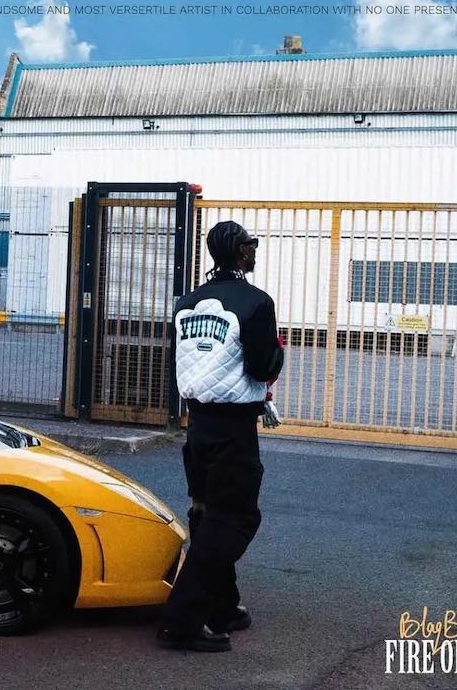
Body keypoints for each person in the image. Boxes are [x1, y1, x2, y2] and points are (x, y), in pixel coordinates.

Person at [157, 220, 284, 652]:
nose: (255, 250)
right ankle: (182, 621)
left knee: (207, 513)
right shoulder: (256, 302)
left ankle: (222, 605)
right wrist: (278, 351)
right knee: (235, 518)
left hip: (198, 425)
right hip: (233, 427)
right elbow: (263, 367)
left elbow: (179, 359)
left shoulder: (187, 303)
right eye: (251, 244)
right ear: (240, 251)